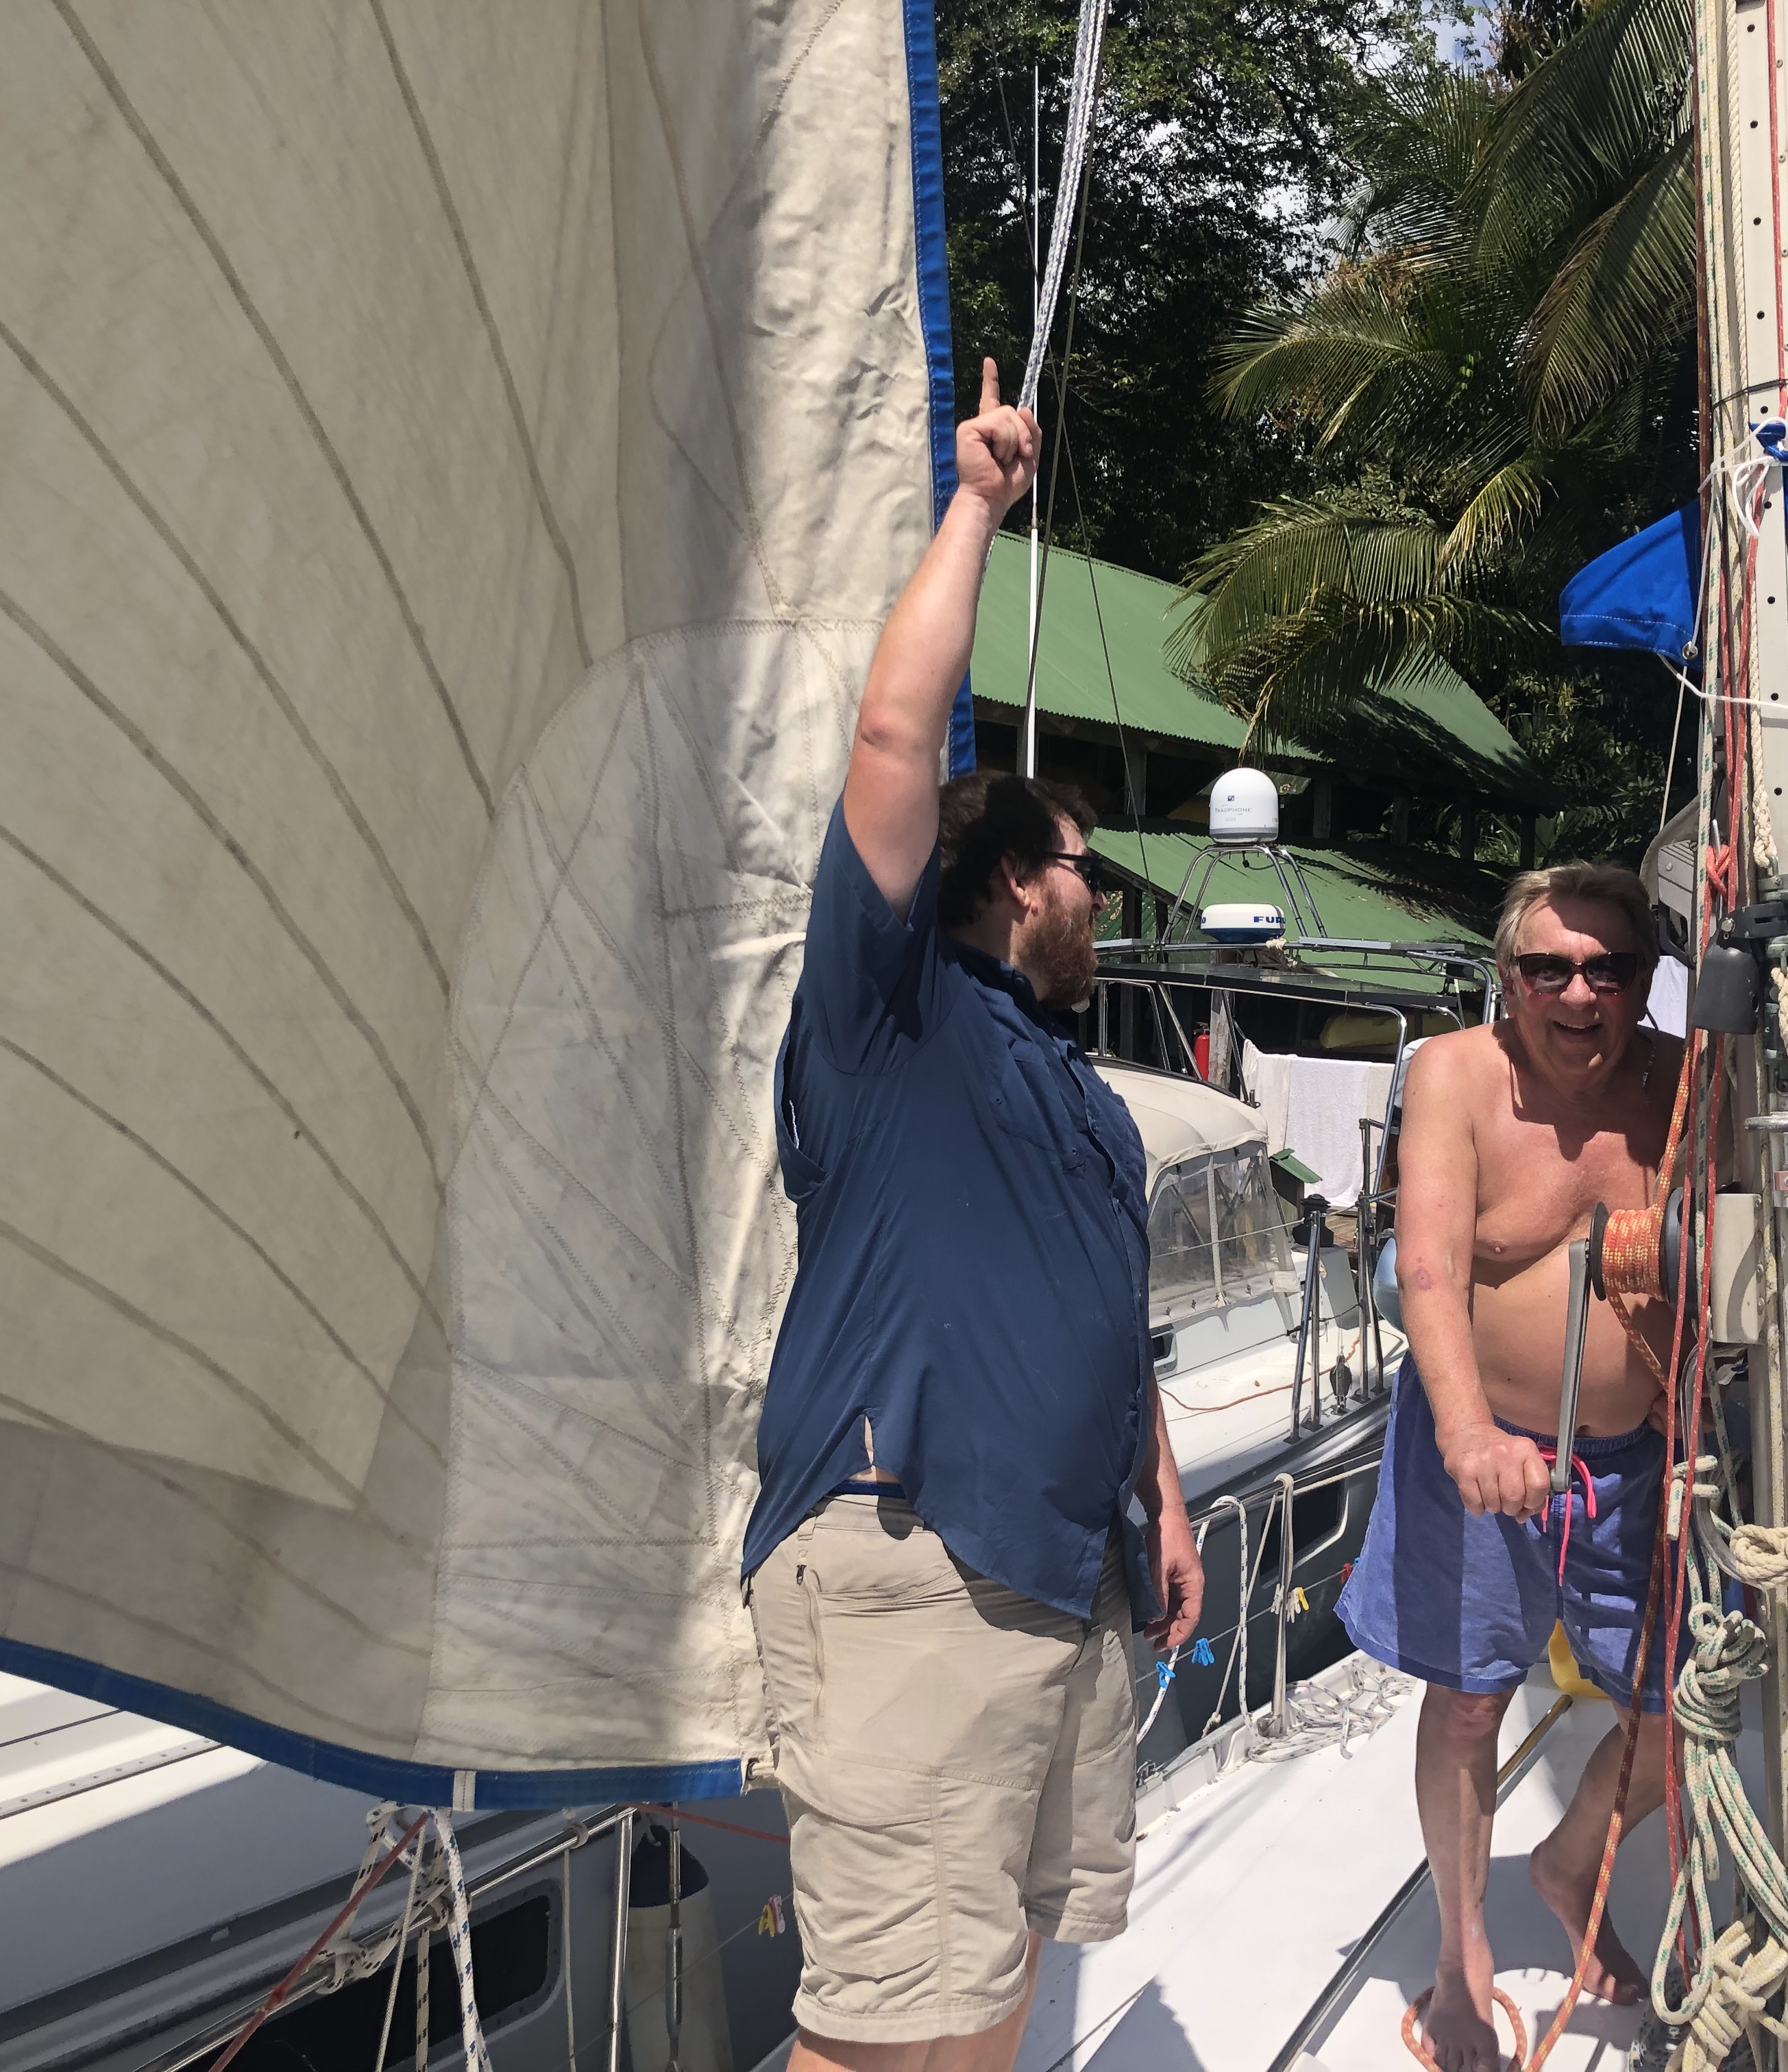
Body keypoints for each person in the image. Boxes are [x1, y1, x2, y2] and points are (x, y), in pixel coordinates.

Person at [742, 358, 1205, 2072]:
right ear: (1019, 879)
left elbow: (1094, 1306)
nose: (1104, 900)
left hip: (1057, 1575)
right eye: (1092, 869)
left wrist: (1157, 1496)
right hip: (911, 1564)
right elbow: (887, 740)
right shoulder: (893, 1026)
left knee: (998, 1968)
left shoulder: (1074, 1091)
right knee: (878, 2037)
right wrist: (978, 505)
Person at [1337, 864, 1683, 2072]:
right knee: (1474, 1697)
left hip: (1639, 1462)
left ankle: (1575, 1851)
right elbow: (1427, 1263)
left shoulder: (1690, 1084)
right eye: (1551, 969)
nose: (1580, 994)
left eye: (1610, 970)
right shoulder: (1454, 1075)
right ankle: (1459, 1955)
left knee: (1685, 1703)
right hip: (1474, 1448)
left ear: (1646, 983)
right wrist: (1466, 1431)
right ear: (1508, 978)